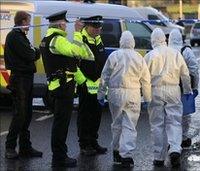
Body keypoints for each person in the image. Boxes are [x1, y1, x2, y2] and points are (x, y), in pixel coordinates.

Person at [39, 10, 93, 167]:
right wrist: (77, 33)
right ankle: (59, 158)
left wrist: (83, 82)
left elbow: (70, 64)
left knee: (60, 123)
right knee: (61, 124)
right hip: (63, 88)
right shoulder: (57, 40)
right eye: (65, 24)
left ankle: (59, 155)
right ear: (60, 24)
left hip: (61, 86)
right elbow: (76, 52)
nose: (66, 27)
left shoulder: (49, 39)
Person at [97, 31, 151, 168]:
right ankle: (126, 155)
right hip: (133, 94)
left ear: (121, 42)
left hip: (115, 93)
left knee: (116, 124)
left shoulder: (114, 56)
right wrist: (147, 98)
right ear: (133, 42)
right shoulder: (139, 57)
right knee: (130, 125)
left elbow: (105, 77)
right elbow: (145, 80)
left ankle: (116, 152)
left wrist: (101, 95)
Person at [145, 28, 192, 168]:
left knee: (157, 124)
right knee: (175, 122)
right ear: (164, 40)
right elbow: (185, 74)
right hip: (173, 90)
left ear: (153, 40)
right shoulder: (176, 53)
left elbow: (143, 77)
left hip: (155, 90)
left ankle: (158, 157)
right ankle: (175, 150)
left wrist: (144, 95)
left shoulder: (150, 55)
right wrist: (188, 90)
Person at [4, 11, 42, 159]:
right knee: (19, 115)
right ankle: (10, 147)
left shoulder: (21, 37)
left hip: (26, 79)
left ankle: (25, 147)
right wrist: (33, 51)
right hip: (19, 79)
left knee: (27, 115)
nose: (30, 24)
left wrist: (34, 51)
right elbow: (32, 54)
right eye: (28, 21)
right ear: (22, 21)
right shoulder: (15, 36)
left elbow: (35, 52)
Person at [74, 15, 107, 156]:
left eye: (99, 28)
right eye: (95, 28)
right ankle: (84, 144)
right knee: (85, 116)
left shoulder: (98, 39)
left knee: (96, 115)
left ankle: (93, 141)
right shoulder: (81, 39)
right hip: (86, 85)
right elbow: (74, 64)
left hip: (98, 86)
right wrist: (83, 82)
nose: (98, 30)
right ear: (87, 27)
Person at [168, 29, 199, 148]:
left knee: (170, 115)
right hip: (184, 87)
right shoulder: (186, 51)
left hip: (168, 88)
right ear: (181, 38)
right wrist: (195, 87)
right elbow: (194, 70)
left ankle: (172, 140)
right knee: (185, 115)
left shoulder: (165, 50)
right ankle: (184, 138)